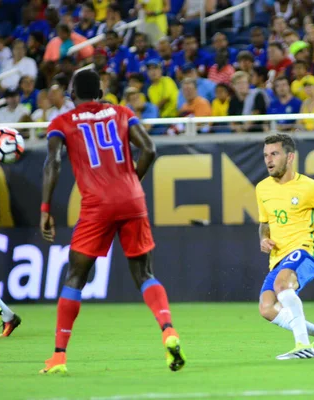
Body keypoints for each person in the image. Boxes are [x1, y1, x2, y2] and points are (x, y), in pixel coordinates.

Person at [39, 69, 186, 374]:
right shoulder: (122, 112)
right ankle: (168, 330)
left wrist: (45, 207)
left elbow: (52, 162)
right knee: (144, 273)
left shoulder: (62, 123)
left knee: (76, 276)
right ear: (101, 94)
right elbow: (150, 149)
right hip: (132, 199)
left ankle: (59, 357)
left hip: (96, 205)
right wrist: (132, 181)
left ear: (72, 95)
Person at [256, 133, 314, 360]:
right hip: (278, 258)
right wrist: (263, 239)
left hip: (304, 252)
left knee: (282, 284)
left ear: (290, 157)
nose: (269, 160)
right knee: (267, 308)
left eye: (274, 154)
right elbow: (264, 224)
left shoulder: (309, 187)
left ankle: (303, 345)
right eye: (266, 155)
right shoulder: (262, 188)